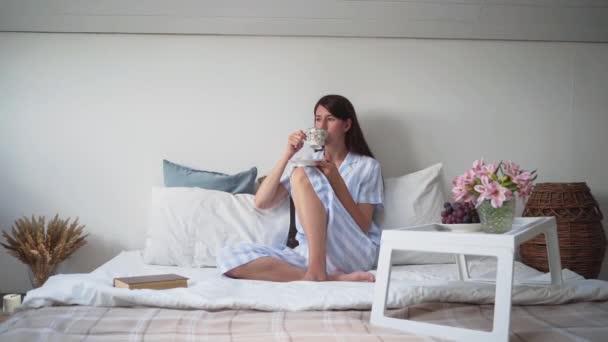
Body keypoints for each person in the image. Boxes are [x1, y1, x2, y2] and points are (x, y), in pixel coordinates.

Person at [217, 94, 383, 282]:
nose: (321, 126)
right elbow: (261, 202)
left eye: (330, 119)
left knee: (302, 173)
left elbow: (363, 225)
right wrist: (288, 154)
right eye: (318, 119)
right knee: (229, 257)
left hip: (353, 249)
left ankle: (316, 271)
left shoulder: (368, 166)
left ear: (346, 125)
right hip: (310, 253)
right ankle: (326, 276)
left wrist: (336, 181)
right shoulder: (308, 163)